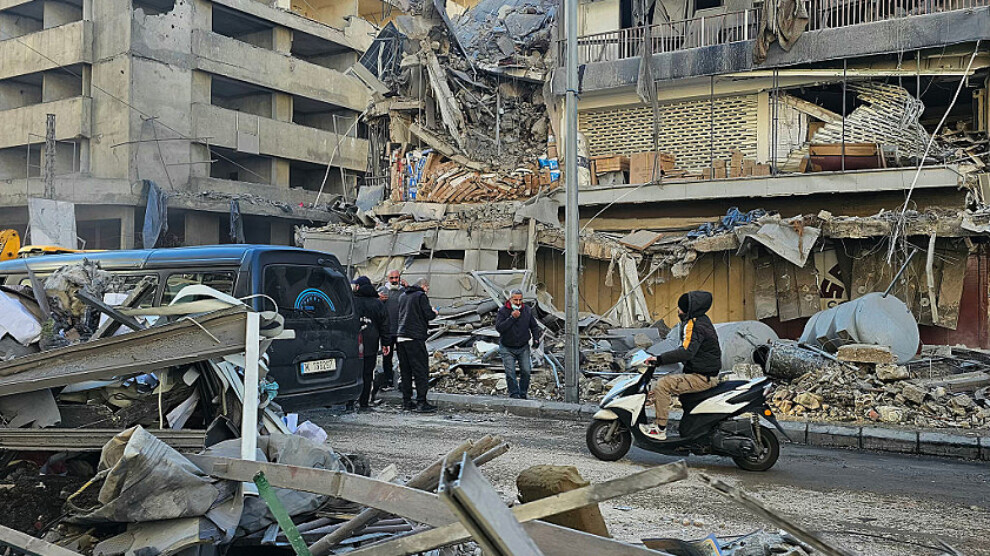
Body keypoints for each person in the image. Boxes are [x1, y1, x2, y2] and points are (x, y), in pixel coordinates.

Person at [640, 290, 722, 441]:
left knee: (663, 385)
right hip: (705, 373)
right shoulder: (703, 320)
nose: (678, 310)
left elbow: (686, 352)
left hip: (702, 377)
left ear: (689, 309)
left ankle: (659, 429)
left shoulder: (694, 325)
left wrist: (659, 359)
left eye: (681, 308)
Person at [396, 277, 438, 413]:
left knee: (406, 371)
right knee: (421, 370)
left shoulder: (402, 296)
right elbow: (428, 315)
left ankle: (407, 401)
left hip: (401, 336)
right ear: (423, 286)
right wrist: (434, 312)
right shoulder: (420, 296)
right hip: (415, 337)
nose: (427, 290)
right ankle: (421, 402)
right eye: (428, 288)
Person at [351, 276, 390, 413]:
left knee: (353, 373)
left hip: (352, 345)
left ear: (358, 287)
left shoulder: (352, 302)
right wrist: (386, 343)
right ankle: (364, 403)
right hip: (371, 344)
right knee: (367, 374)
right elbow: (384, 325)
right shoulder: (377, 304)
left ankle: (349, 402)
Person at [494, 289, 541, 399]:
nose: (518, 303)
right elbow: (499, 328)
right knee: (510, 373)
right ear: (510, 299)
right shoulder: (503, 311)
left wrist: (536, 339)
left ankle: (523, 393)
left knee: (526, 371)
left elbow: (534, 326)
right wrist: (512, 318)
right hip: (507, 347)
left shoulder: (527, 310)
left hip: (523, 347)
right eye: (515, 300)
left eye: (520, 300)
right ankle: (514, 394)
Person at [379, 270, 405, 391]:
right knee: (387, 358)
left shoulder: (404, 291)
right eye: (392, 278)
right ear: (387, 278)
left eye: (396, 277)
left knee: (403, 358)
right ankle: (388, 381)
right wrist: (378, 299)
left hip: (401, 331)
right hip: (387, 331)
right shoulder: (382, 291)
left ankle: (403, 382)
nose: (394, 280)